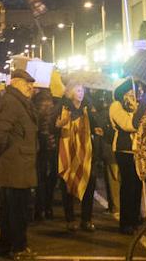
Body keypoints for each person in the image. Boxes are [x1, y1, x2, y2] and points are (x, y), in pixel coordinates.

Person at [0, 68, 38, 261]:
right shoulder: (12, 102)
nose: (31, 87)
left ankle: (5, 246)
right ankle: (18, 248)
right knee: (17, 210)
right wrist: (2, 157)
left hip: (19, 163)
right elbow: (1, 134)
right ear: (17, 83)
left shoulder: (20, 102)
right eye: (28, 83)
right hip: (14, 164)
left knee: (12, 209)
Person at [56, 82, 96, 232]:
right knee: (67, 185)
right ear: (71, 92)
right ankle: (70, 219)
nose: (81, 93)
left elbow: (97, 123)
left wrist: (93, 114)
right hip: (68, 151)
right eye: (78, 90)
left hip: (86, 153)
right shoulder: (63, 108)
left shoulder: (87, 107)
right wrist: (64, 122)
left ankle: (86, 219)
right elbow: (55, 125)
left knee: (88, 184)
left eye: (82, 90)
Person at [109, 80, 142, 235]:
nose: (133, 95)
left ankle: (135, 218)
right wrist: (137, 112)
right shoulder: (116, 106)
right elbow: (128, 124)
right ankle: (125, 222)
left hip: (137, 150)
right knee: (128, 186)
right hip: (124, 150)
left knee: (137, 186)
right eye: (130, 92)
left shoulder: (137, 105)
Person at [31, 83, 59, 220]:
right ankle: (48, 207)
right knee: (50, 177)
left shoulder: (39, 100)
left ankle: (40, 208)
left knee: (40, 176)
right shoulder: (52, 100)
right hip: (52, 142)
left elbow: (38, 122)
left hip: (42, 142)